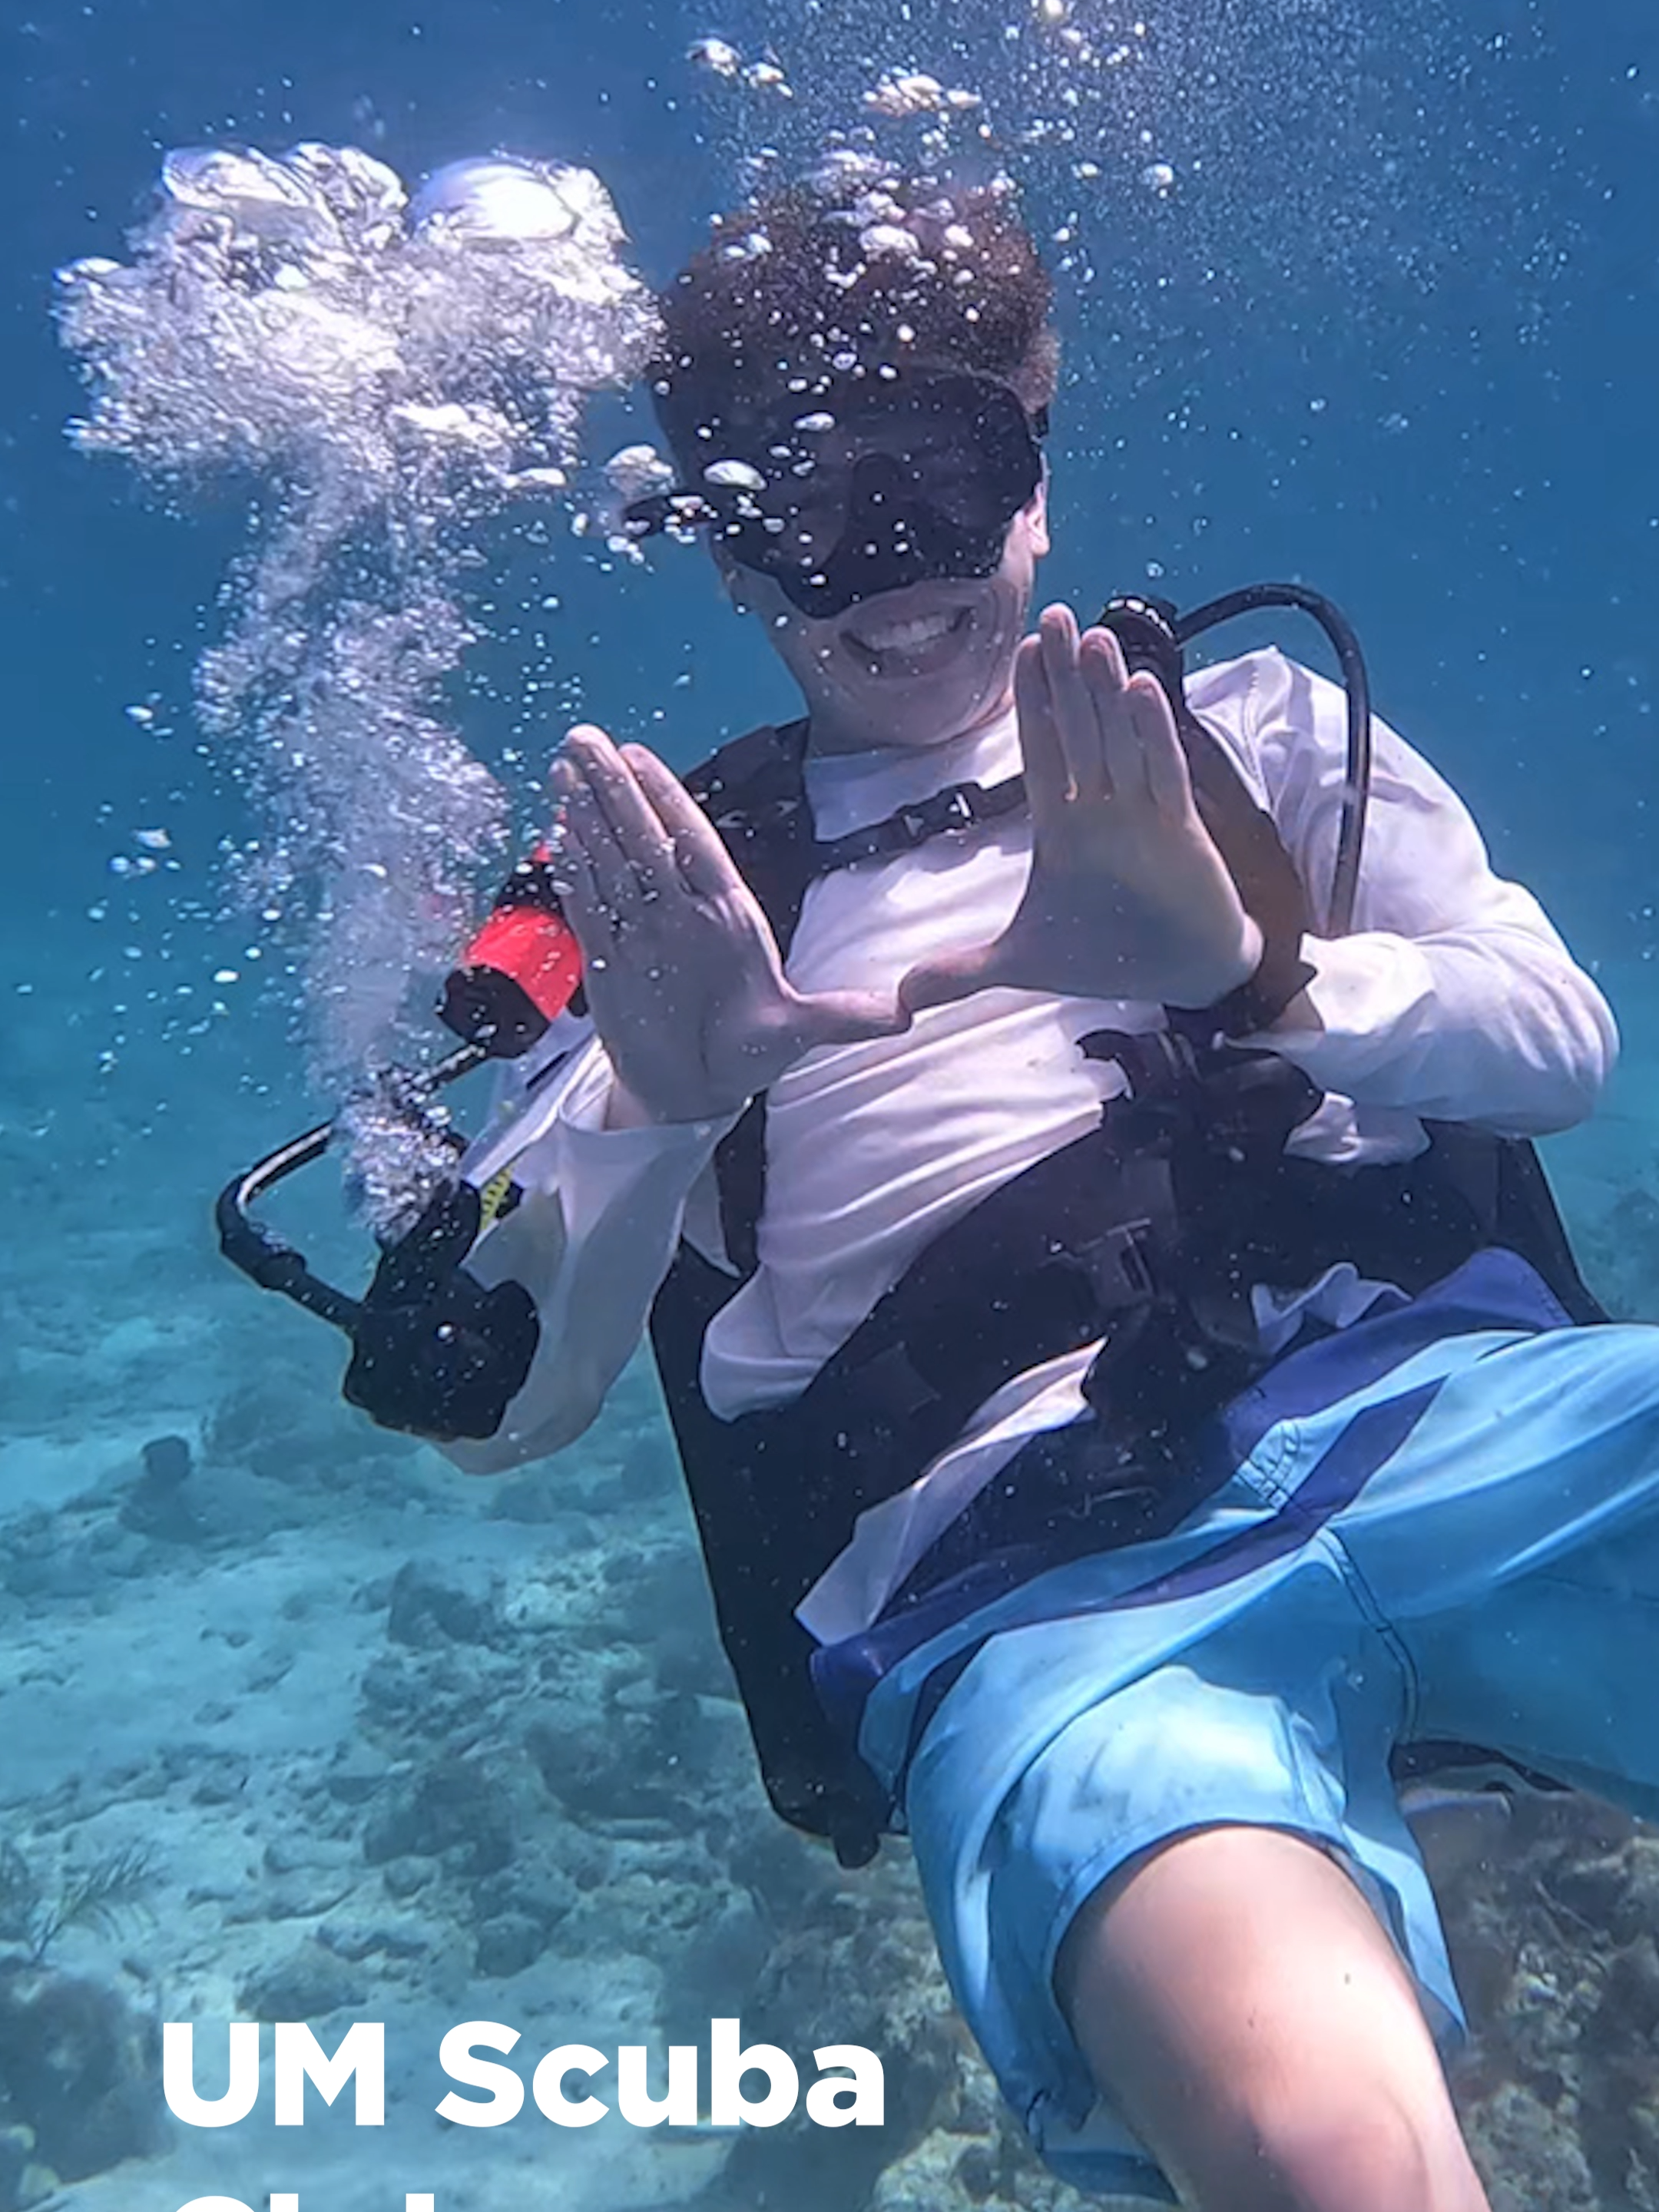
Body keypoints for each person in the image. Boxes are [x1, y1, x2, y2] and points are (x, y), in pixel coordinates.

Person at [346, 165, 1646, 2212]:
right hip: (1037, 1599)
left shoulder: (1243, 735)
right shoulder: (687, 905)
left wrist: (1254, 966)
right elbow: (501, 1414)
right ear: (723, 552)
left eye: (932, 475)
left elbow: (1558, 1045)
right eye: (805, 505)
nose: (885, 569)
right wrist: (670, 1096)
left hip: (1466, 1427)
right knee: (1322, 2149)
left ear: (1030, 468)